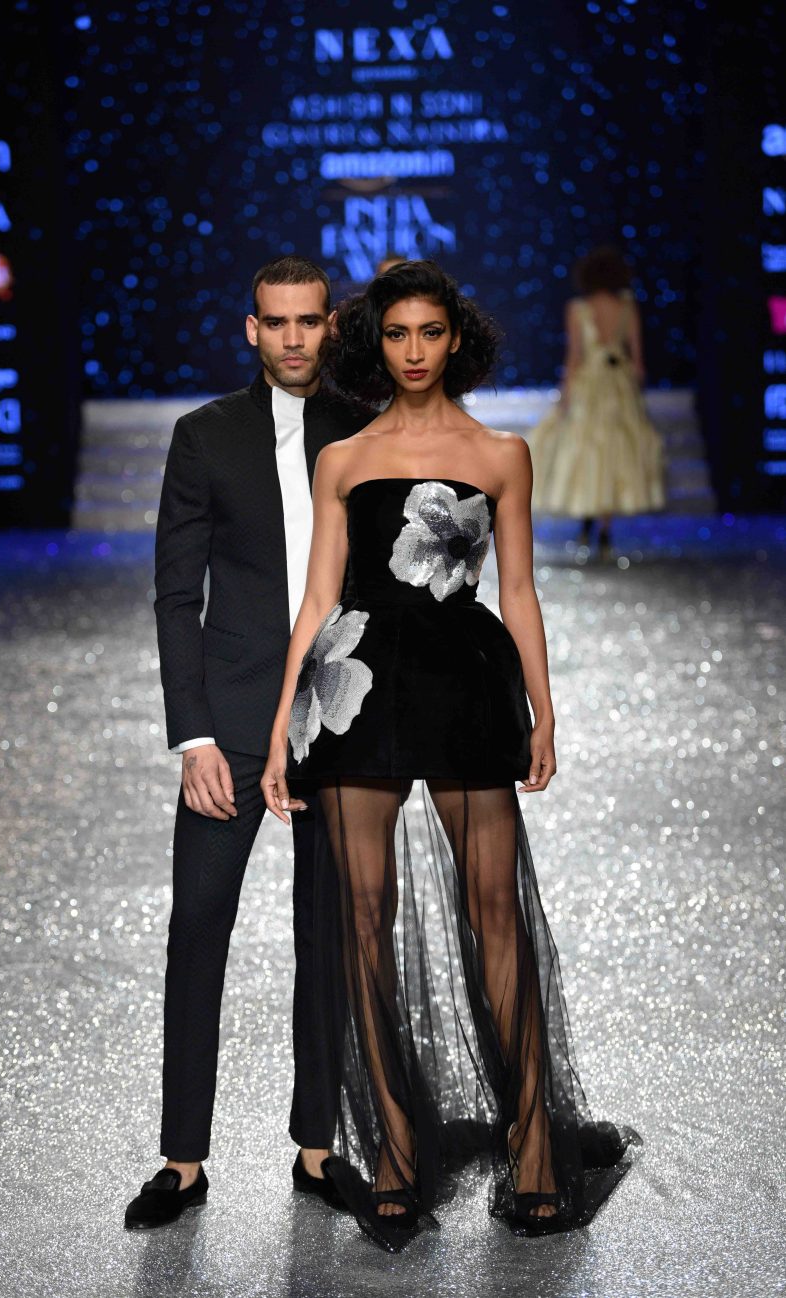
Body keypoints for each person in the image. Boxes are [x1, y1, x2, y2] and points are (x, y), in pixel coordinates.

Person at [261, 260, 640, 1250]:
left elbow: (518, 590)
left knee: (495, 914)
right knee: (361, 922)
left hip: (467, 683)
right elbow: (318, 597)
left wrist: (543, 710)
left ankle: (533, 1148)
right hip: (357, 684)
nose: (415, 350)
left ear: (456, 337)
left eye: (430, 331)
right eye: (397, 334)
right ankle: (392, 1152)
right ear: (376, 342)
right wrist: (281, 726)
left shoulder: (500, 453)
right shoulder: (342, 458)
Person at [124, 255, 370, 1230]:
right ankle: (182, 1160)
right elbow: (174, 593)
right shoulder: (204, 435)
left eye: (309, 321)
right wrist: (192, 735)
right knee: (197, 927)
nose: (294, 338)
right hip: (226, 725)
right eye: (277, 322)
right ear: (251, 329)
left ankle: (318, 1148)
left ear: (329, 326)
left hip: (335, 717)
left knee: (329, 934)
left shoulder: (363, 428)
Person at [528, 245, 665, 557]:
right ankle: (603, 528)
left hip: (588, 387)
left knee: (587, 451)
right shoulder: (626, 307)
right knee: (614, 453)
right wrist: (637, 396)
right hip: (618, 387)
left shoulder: (578, 309)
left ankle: (588, 522)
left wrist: (565, 394)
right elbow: (638, 362)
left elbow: (574, 357)